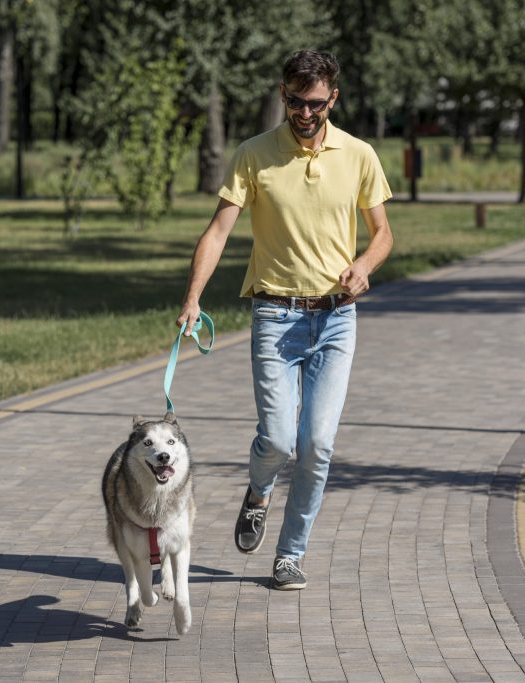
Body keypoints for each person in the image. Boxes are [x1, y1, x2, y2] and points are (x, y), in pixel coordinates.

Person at [175, 50, 393, 590]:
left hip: (337, 320)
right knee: (276, 439)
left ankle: (290, 554)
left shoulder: (359, 155)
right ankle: (258, 491)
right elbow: (219, 230)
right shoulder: (254, 155)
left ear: (333, 99)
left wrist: (364, 266)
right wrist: (192, 299)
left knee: (317, 445)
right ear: (283, 95)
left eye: (315, 103)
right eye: (295, 101)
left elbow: (383, 233)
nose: (304, 113)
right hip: (274, 314)